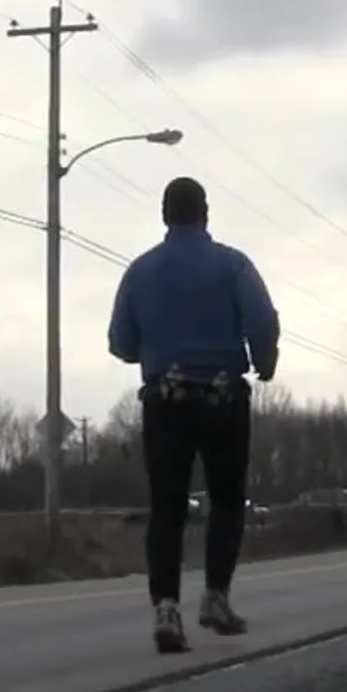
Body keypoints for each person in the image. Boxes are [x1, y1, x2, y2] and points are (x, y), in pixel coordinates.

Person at [107, 176, 281, 655]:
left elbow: (121, 341)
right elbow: (263, 320)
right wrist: (263, 363)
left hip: (166, 398)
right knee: (226, 500)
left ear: (164, 216)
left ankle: (166, 607)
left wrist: (157, 345)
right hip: (223, 397)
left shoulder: (140, 272)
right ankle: (215, 598)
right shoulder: (232, 264)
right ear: (205, 213)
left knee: (167, 506)